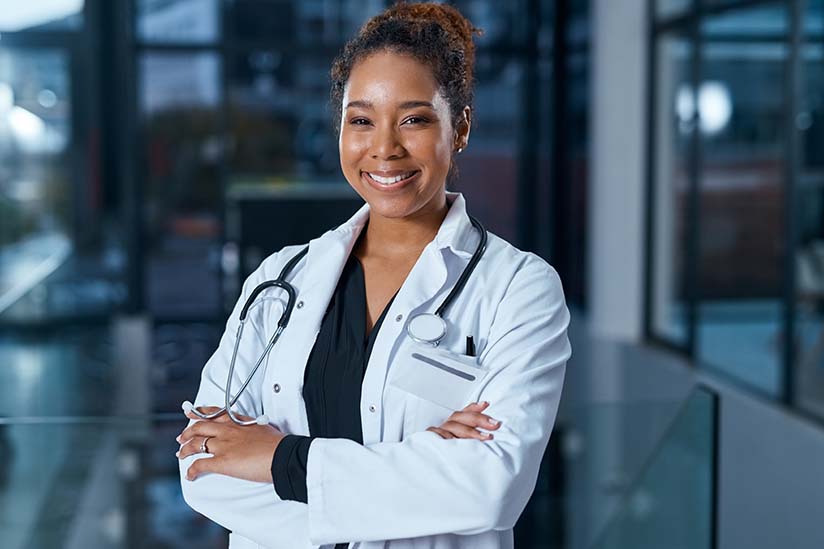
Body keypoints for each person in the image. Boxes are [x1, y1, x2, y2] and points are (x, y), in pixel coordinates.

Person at [176, 3, 571, 548]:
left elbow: (491, 489)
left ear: (460, 127)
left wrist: (277, 459)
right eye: (361, 120)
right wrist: (419, 474)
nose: (384, 148)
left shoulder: (519, 289)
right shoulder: (279, 280)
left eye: (414, 118)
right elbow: (202, 468)